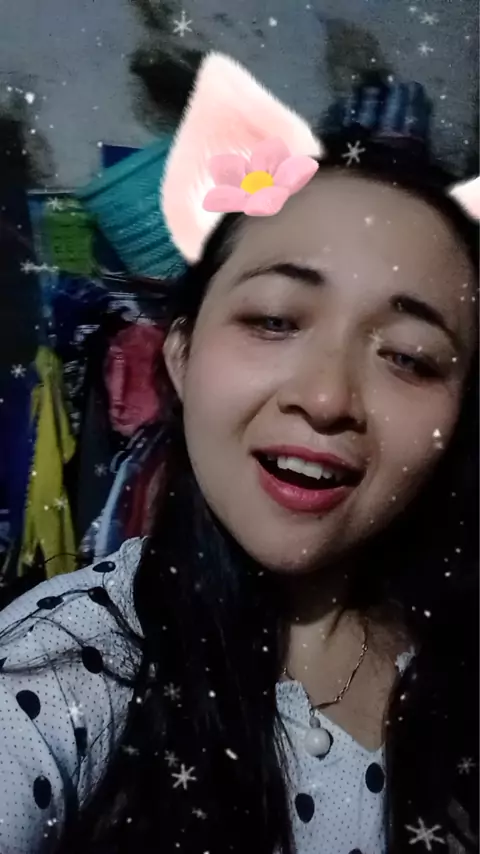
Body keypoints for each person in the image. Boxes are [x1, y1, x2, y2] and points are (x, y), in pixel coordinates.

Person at [0, 53, 478, 854]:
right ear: (181, 355)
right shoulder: (57, 673)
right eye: (274, 320)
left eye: (409, 356)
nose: (326, 397)